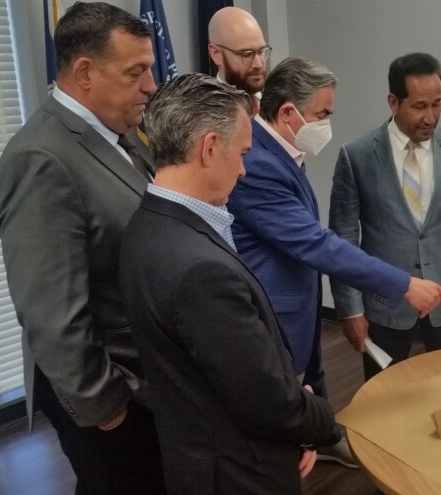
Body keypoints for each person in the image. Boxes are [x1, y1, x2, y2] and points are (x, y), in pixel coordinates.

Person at [228, 57, 441, 468]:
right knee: (277, 446)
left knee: (309, 399)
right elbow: (320, 242)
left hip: (298, 309)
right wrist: (402, 283)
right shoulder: (258, 164)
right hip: (272, 318)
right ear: (287, 113)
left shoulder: (284, 152)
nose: (327, 125)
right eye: (322, 115)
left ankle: (319, 439)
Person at [119, 73, 336, 494]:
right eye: (240, 154)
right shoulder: (201, 270)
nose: (242, 170)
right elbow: (266, 403)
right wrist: (318, 417)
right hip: (240, 473)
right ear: (210, 148)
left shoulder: (143, 227)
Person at [0, 3, 164, 493]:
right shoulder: (40, 159)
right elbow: (50, 313)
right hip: (109, 393)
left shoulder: (120, 137)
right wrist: (104, 408)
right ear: (85, 72)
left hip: (147, 378)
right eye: (136, 72)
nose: (151, 85)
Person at [329, 52, 441, 381]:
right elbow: (343, 239)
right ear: (393, 102)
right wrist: (350, 310)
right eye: (419, 107)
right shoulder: (356, 157)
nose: (430, 117)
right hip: (385, 300)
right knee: (385, 403)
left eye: (437, 104)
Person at [208, 7, 270, 113]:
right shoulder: (204, 116)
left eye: (261, 52)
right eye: (247, 54)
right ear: (216, 54)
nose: (258, 64)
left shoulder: (281, 105)